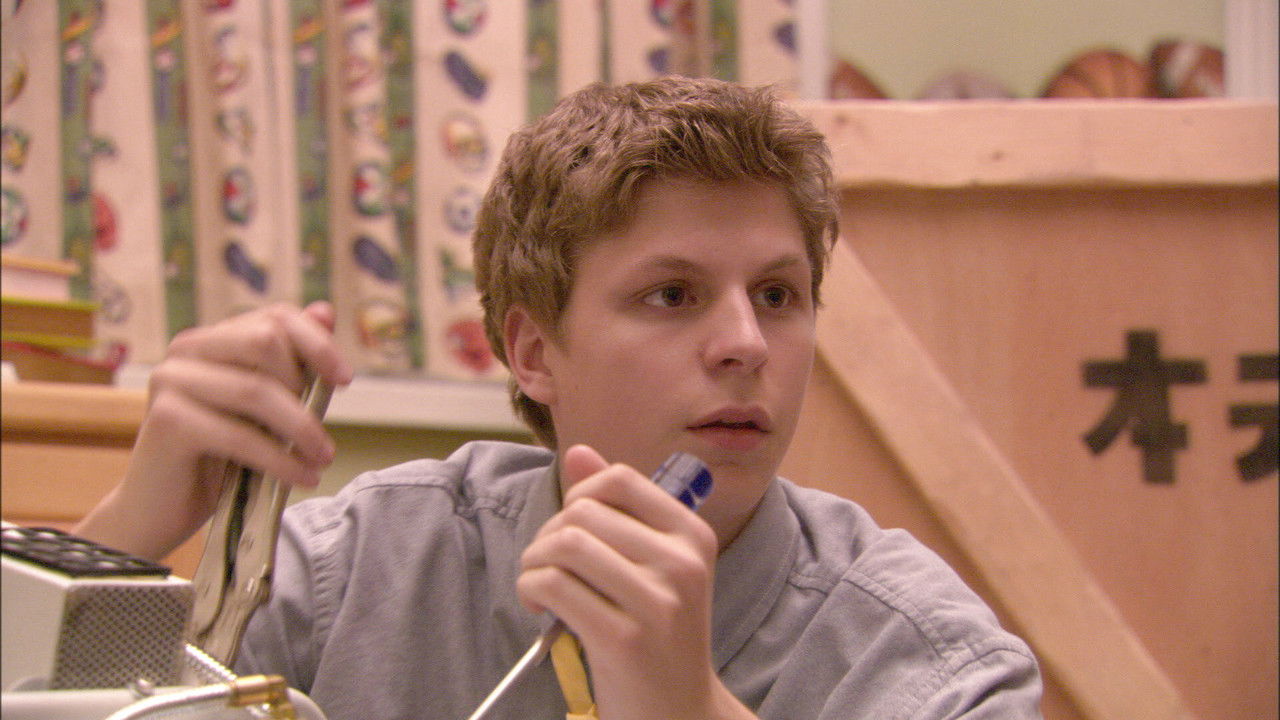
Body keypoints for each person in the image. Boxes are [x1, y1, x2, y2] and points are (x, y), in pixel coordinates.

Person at [76, 76, 1042, 719]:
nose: (748, 343)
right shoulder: (359, 572)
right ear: (533, 352)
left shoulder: (924, 659)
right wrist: (123, 541)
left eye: (779, 296)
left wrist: (691, 710)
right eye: (674, 295)